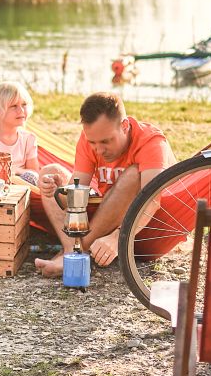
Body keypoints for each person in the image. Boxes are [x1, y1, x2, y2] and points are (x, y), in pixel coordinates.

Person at [34, 92, 171, 277]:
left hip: (147, 227)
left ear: (124, 126)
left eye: (106, 141)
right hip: (104, 217)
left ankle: (75, 253)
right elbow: (74, 200)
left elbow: (152, 201)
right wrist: (59, 190)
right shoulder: (90, 138)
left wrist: (118, 237)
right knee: (49, 172)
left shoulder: (151, 142)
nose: (98, 150)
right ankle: (72, 252)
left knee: (134, 174)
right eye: (93, 142)